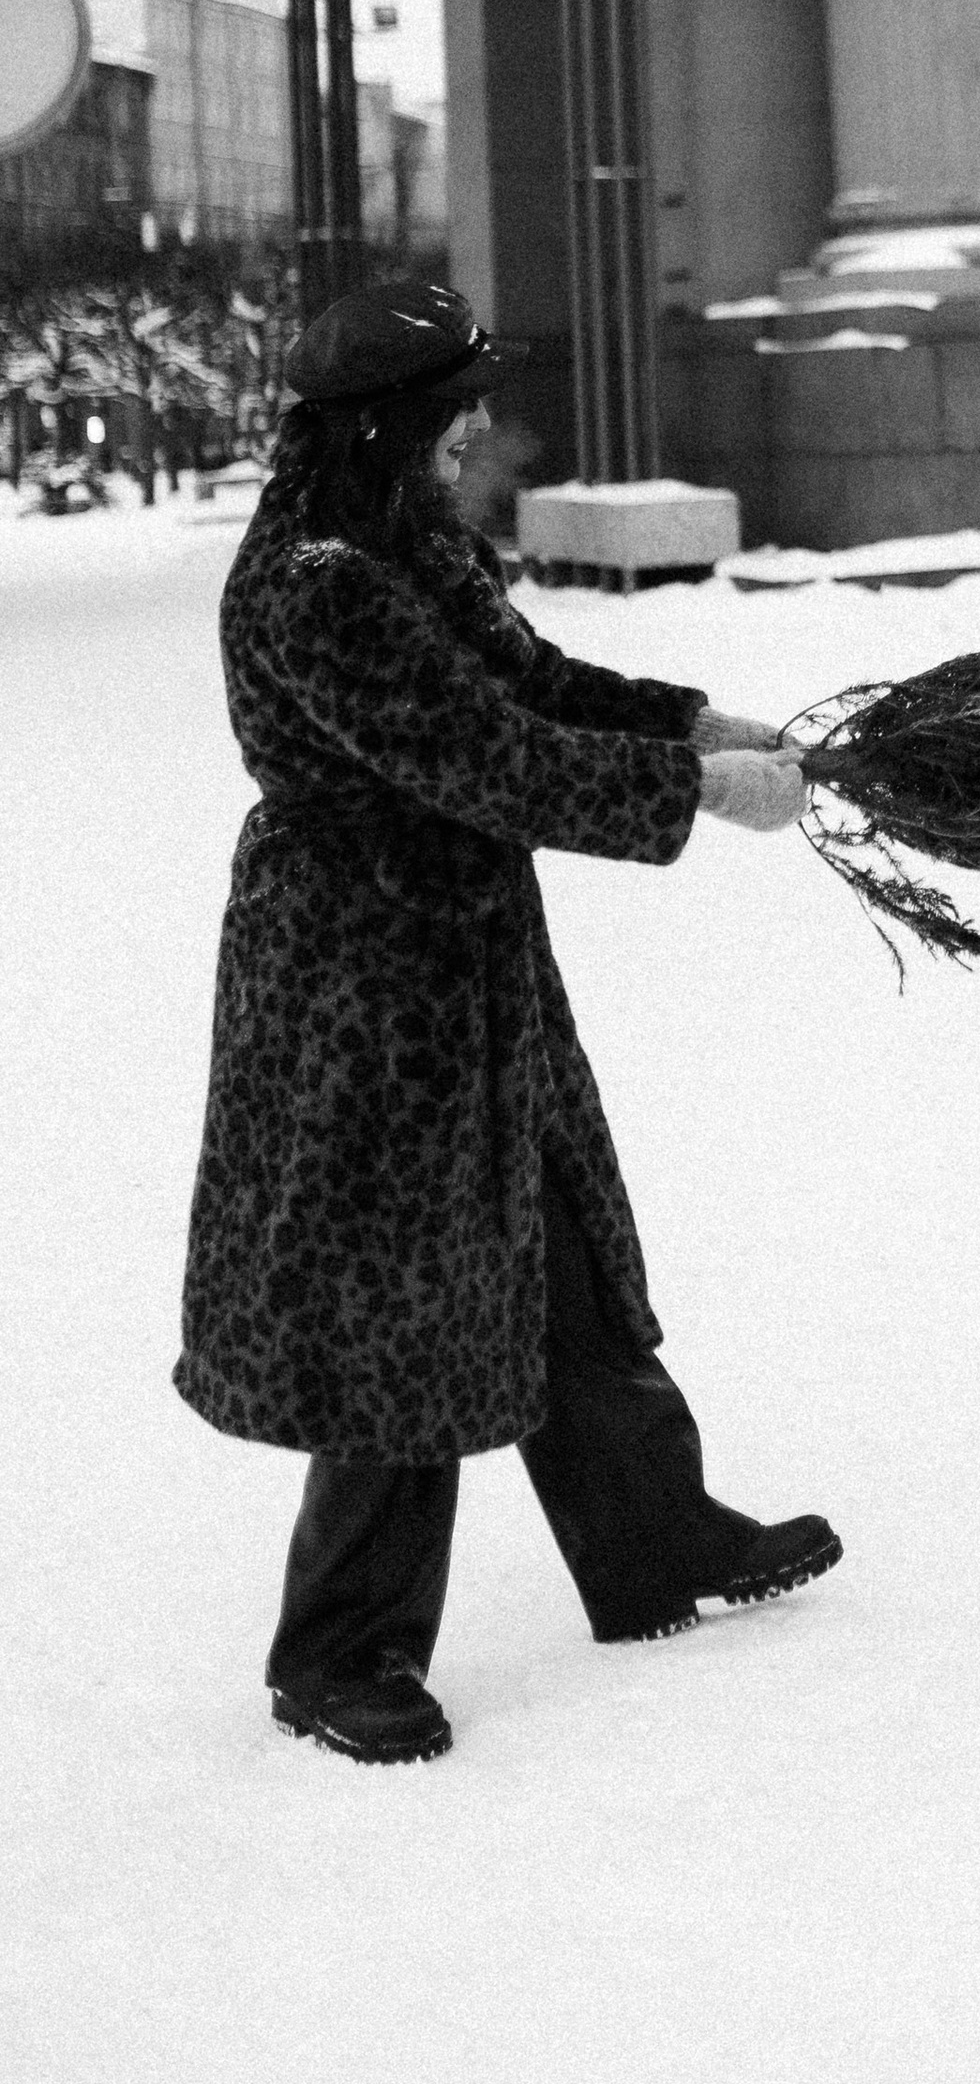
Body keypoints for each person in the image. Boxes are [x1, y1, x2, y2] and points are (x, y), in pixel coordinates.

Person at [176, 278, 835, 1764]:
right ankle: (338, 1654)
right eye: (457, 399)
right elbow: (491, 760)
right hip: (359, 984)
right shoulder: (321, 579)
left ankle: (653, 1537)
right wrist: (695, 798)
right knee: (398, 1306)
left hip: (465, 960)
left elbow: (530, 686)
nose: (479, 422)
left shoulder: (404, 543)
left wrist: (686, 722)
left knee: (556, 1243)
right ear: (393, 420)